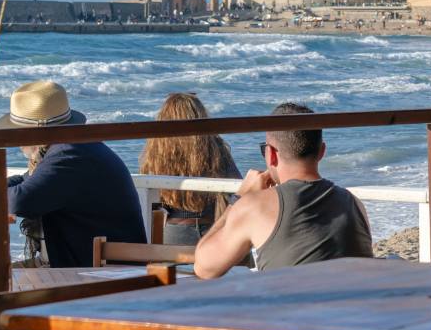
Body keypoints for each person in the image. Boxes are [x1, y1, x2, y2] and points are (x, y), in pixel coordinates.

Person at [194, 102, 373, 276]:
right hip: (356, 303)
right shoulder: (353, 203)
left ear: (271, 155)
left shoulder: (254, 207)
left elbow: (204, 268)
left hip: (294, 305)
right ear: (321, 151)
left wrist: (240, 198)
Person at [1, 81, 146, 269]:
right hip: (94, 262)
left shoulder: (68, 154)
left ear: (32, 135)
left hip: (102, 271)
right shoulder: (77, 146)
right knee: (0, 275)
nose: (18, 144)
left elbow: (19, 202)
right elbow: (27, 179)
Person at [138, 92, 241, 247]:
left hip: (171, 233)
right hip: (210, 231)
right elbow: (236, 188)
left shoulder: (155, 151)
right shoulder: (214, 148)